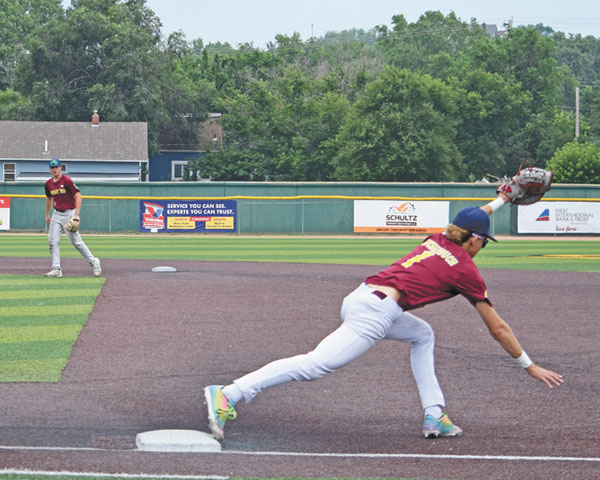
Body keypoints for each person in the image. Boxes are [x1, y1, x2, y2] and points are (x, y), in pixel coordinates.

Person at [204, 193, 563, 441]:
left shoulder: (440, 237)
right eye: (485, 241)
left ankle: (434, 413)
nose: (484, 245)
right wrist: (528, 365)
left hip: (363, 296)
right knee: (315, 365)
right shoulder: (465, 270)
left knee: (422, 335)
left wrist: (503, 198)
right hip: (375, 313)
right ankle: (229, 394)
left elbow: (473, 216)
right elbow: (497, 327)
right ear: (472, 240)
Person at [44, 158, 101, 278]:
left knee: (76, 242)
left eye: (56, 167)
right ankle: (56, 268)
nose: (54, 169)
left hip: (69, 213)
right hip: (56, 214)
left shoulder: (67, 180)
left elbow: (78, 196)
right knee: (52, 241)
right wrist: (47, 214)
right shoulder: (48, 183)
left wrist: (76, 215)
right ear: (50, 169)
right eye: (52, 167)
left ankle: (93, 261)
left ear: (60, 168)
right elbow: (49, 198)